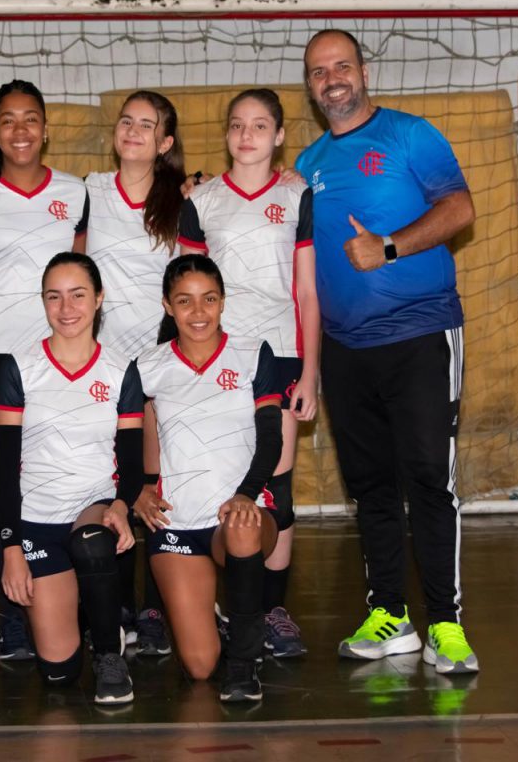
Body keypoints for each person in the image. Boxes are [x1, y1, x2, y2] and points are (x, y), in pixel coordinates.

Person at [295, 29, 478, 674]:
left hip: (422, 336)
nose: (332, 78)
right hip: (346, 350)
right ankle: (391, 615)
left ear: (363, 71)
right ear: (311, 86)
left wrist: (389, 247)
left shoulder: (409, 134)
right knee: (370, 487)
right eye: (319, 71)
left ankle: (447, 626)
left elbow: (460, 208)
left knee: (428, 479)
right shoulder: (307, 164)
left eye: (342, 65)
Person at [0, 80, 88, 660]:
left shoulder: (76, 192)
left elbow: (83, 263)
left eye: (31, 119)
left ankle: (63, 593)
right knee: (8, 481)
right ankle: (10, 613)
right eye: (9, 120)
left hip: (61, 355)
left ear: (46, 127)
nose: (21, 130)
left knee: (56, 473)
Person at [179, 88, 319, 659]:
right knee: (224, 479)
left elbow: (307, 291)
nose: (247, 135)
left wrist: (310, 372)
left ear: (279, 136)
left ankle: (269, 609)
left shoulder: (297, 195)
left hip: (281, 355)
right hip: (221, 357)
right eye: (237, 125)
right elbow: (184, 289)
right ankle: (228, 603)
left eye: (260, 126)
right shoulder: (204, 199)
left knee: (275, 487)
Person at [0, 252, 144, 704]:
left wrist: (121, 505)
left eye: (78, 295)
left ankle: (108, 653)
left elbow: (132, 462)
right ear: (42, 303)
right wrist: (11, 548)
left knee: (94, 541)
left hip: (91, 512)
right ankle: (88, 612)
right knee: (58, 674)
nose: (66, 308)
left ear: (99, 298)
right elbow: (5, 472)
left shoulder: (121, 369)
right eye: (53, 297)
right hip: (38, 522)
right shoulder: (20, 367)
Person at [135, 254, 283, 703]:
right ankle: (225, 621)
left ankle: (244, 662)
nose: (198, 313)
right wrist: (139, 489)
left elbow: (271, 441)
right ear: (167, 305)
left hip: (239, 515)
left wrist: (245, 495)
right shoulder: (147, 365)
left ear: (223, 302)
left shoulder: (253, 353)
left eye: (209, 299)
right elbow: (131, 442)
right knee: (199, 668)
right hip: (176, 522)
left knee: (241, 526)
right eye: (185, 301)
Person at [85, 89, 187, 656]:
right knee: (113, 485)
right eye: (127, 121)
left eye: (147, 126)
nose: (133, 131)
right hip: (100, 367)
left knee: (154, 488)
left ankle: (155, 608)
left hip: (157, 367)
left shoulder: (183, 199)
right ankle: (116, 607)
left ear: (165, 142)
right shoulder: (90, 192)